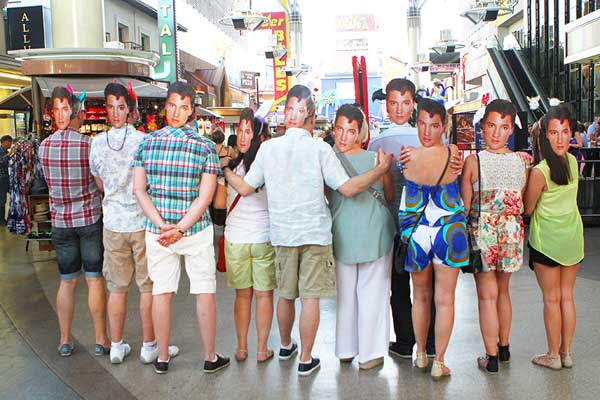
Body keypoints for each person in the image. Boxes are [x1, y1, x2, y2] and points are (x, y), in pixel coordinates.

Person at [222, 84, 393, 376]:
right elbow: (348, 189)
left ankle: (286, 345)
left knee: (286, 295)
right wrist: (379, 171)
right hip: (315, 234)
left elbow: (246, 187)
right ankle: (306, 359)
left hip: (282, 234)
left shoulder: (267, 148)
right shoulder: (320, 149)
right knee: (310, 298)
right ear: (310, 116)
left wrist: (225, 169)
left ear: (288, 113)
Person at [132, 82, 229, 375]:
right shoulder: (205, 146)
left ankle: (162, 357)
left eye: (183, 107)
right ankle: (210, 357)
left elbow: (139, 190)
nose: (177, 112)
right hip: (195, 230)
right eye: (174, 105)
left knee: (162, 291)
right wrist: (181, 228)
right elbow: (206, 196)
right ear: (167, 106)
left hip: (158, 233)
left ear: (191, 111)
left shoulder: (146, 143)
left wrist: (163, 227)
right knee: (204, 291)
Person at [90, 83, 179, 365]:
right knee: (147, 286)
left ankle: (116, 346)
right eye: (112, 107)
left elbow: (99, 183)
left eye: (119, 107)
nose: (115, 112)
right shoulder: (143, 140)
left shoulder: (96, 143)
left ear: (127, 109)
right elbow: (148, 182)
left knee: (117, 287)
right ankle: (149, 346)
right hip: (141, 223)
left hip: (113, 223)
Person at [398, 98, 468, 380]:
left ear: (442, 126)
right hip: (449, 230)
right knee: (445, 299)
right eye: (423, 124)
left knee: (421, 297)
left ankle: (421, 355)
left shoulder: (407, 156)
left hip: (416, 233)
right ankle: (439, 360)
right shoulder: (453, 152)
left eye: (434, 125)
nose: (427, 131)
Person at [38, 86, 110, 357]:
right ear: (76, 113)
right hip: (89, 220)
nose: (61, 113)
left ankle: (65, 340)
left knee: (67, 281)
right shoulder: (88, 145)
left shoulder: (43, 148)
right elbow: (100, 183)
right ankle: (101, 339)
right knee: (94, 279)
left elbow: (44, 182)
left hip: (60, 223)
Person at [367, 78, 436, 359]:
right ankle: (428, 343)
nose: (399, 108)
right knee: (424, 285)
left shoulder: (376, 142)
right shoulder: (428, 138)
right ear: (386, 104)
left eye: (405, 102)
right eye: (394, 102)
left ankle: (406, 342)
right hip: (422, 224)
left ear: (413, 103)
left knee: (400, 287)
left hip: (394, 225)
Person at [460, 100, 528, 374]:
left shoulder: (473, 162)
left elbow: (466, 207)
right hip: (512, 233)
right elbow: (520, 198)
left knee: (487, 296)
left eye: (502, 127)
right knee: (503, 291)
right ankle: (504, 346)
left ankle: (491, 358)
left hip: (483, 232)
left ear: (511, 129)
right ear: (484, 126)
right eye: (492, 126)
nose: (497, 133)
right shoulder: (523, 161)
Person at [328, 104, 395, 370]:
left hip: (342, 233)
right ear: (334, 130)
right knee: (373, 294)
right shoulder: (377, 160)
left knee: (345, 295)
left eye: (350, 131)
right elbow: (389, 195)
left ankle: (345, 349)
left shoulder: (326, 160)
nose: (344, 136)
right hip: (375, 234)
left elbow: (326, 196)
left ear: (358, 133)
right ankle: (370, 354)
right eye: (340, 130)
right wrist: (383, 170)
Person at [524, 105, 584, 370]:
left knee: (551, 299)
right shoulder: (574, 162)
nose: (560, 138)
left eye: (564, 132)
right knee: (567, 297)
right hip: (573, 238)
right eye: (554, 133)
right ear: (546, 135)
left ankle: (552, 355)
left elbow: (528, 207)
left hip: (546, 241)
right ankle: (567, 353)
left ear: (570, 133)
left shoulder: (540, 171)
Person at [223, 107, 275, 363]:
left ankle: (243, 348)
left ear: (258, 136)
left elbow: (222, 204)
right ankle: (260, 350)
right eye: (240, 131)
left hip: (240, 239)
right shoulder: (269, 166)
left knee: (243, 295)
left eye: (248, 132)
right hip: (261, 238)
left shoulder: (231, 169)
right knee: (263, 295)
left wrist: (224, 172)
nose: (243, 137)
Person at [0, 135, 13, 225]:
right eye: (10, 142)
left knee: (10, 196)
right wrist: (10, 154)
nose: (11, 144)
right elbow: (1, 162)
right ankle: (1, 220)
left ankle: (7, 218)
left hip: (5, 178)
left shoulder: (4, 151)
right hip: (1, 179)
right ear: (4, 142)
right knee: (2, 200)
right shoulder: (2, 152)